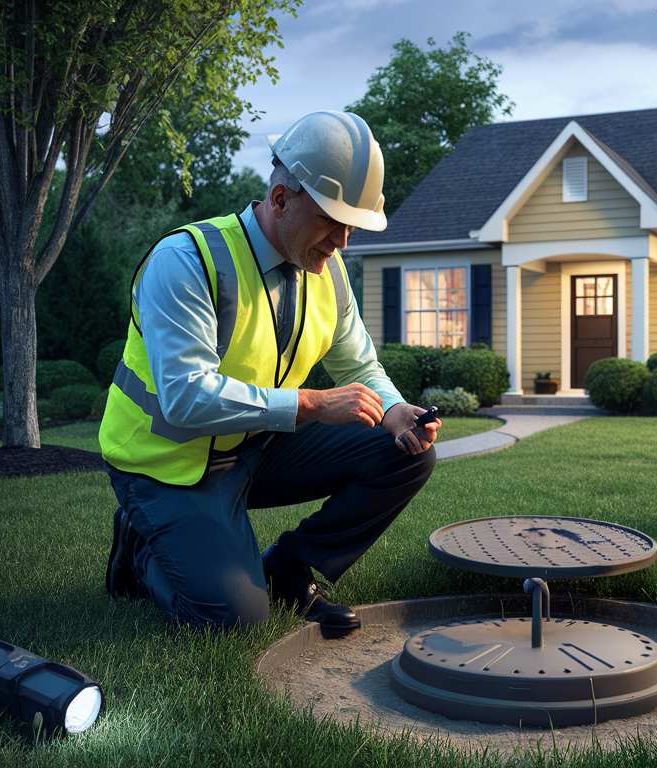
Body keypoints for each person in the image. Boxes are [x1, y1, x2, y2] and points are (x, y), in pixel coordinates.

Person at [99, 111, 439, 637]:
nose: (344, 241)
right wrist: (308, 404)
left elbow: (360, 363)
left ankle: (287, 566)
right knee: (231, 618)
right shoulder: (187, 261)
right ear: (281, 199)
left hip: (257, 446)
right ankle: (141, 549)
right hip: (168, 463)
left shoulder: (328, 273)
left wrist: (396, 412)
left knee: (400, 453)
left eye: (353, 225)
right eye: (333, 221)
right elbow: (184, 398)